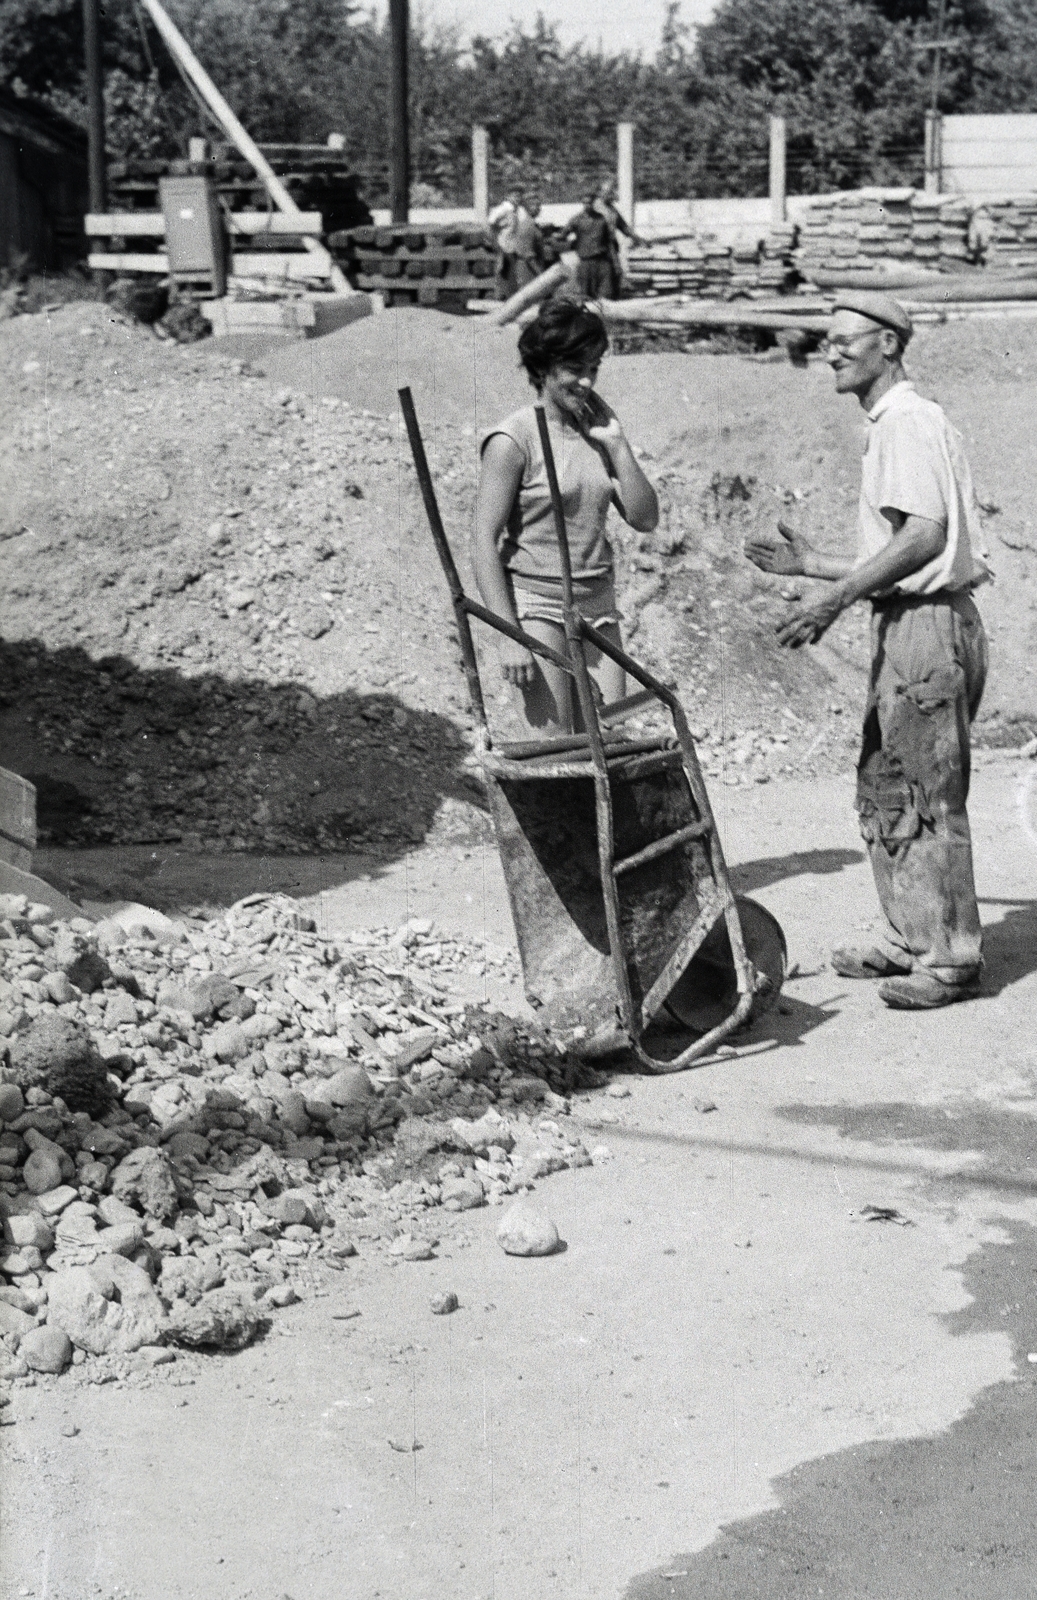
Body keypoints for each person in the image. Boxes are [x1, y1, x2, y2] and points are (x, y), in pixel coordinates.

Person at [744, 290, 992, 1011]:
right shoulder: (895, 422)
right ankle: (906, 935)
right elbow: (897, 550)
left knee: (925, 794)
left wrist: (835, 597)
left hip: (926, 627)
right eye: (827, 340)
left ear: (887, 344)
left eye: (844, 339)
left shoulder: (907, 422)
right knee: (887, 785)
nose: (830, 351)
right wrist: (815, 565)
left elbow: (922, 536)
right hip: (910, 622)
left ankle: (947, 960)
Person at [473, 298, 659, 733]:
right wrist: (509, 636)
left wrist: (618, 446)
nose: (586, 380)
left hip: (598, 602)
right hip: (538, 605)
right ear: (544, 366)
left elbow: (645, 518)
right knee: (555, 747)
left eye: (593, 367)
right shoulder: (513, 440)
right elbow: (483, 538)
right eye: (575, 368)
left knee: (614, 737)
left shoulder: (595, 432)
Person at [595, 176, 644, 294]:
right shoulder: (594, 207)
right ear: (601, 192)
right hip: (596, 247)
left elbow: (623, 226)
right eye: (608, 192)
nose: (612, 194)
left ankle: (614, 295)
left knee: (615, 271)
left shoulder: (612, 209)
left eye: (612, 191)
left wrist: (637, 238)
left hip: (610, 245)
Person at [563, 194, 617, 301]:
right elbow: (562, 236)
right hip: (585, 262)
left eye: (589, 203)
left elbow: (609, 242)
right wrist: (575, 244)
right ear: (582, 203)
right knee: (585, 295)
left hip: (602, 261)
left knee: (606, 295)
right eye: (585, 203)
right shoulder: (576, 220)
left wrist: (615, 263)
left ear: (593, 203)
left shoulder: (601, 219)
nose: (587, 205)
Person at [488, 187, 532, 300]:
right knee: (503, 270)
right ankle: (501, 296)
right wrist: (495, 242)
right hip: (503, 244)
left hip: (513, 245)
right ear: (508, 196)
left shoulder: (518, 210)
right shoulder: (503, 209)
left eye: (519, 196)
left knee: (512, 271)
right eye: (515, 196)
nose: (517, 198)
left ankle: (510, 296)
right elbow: (491, 223)